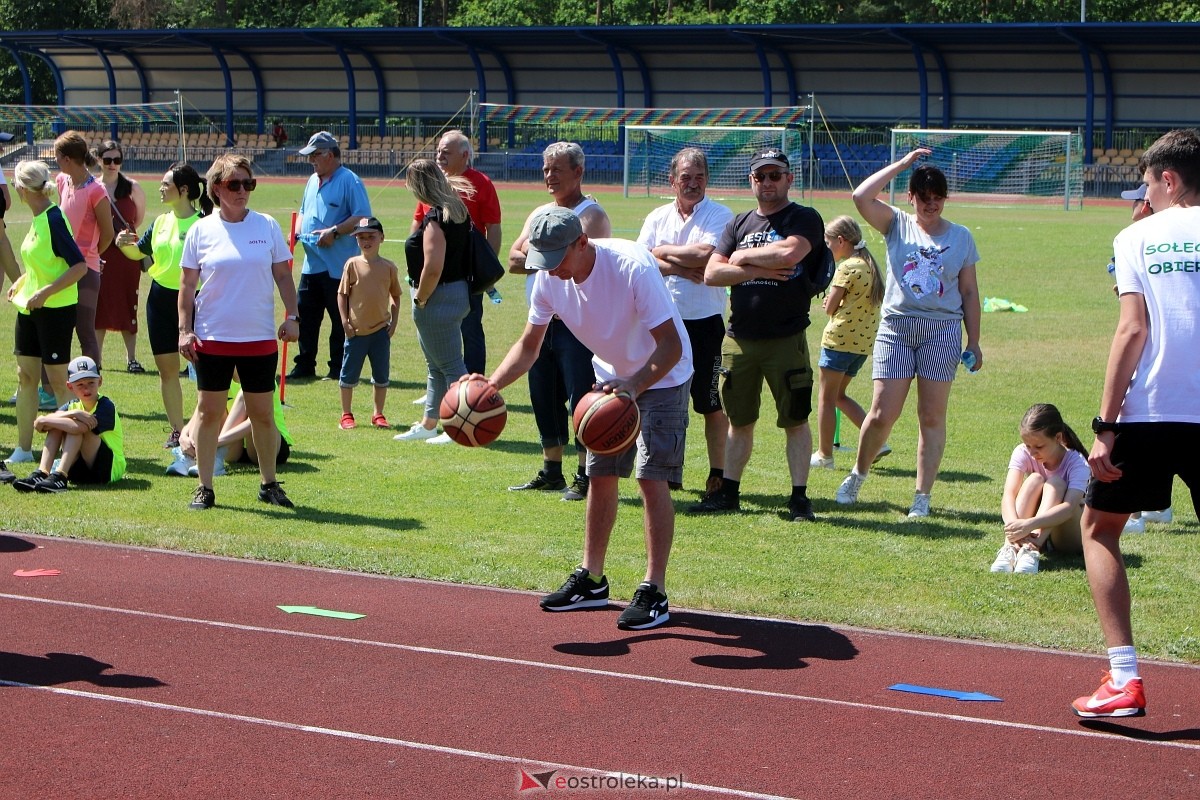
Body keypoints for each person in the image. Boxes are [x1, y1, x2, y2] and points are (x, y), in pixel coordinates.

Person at [480, 206, 691, 631]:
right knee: (600, 474)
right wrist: (491, 386)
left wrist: (635, 385)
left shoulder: (631, 266)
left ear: (582, 242)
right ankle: (592, 580)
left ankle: (654, 590)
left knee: (651, 478)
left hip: (662, 374)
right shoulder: (548, 278)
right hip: (611, 376)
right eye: (544, 259)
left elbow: (668, 346)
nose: (551, 269)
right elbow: (528, 345)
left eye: (558, 257)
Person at [1071, 129, 1200, 719]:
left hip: (1149, 412)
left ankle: (1124, 678)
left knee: (1099, 530)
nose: (1144, 193)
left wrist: (1105, 424)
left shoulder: (1135, 236)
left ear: (1168, 180)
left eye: (1147, 182)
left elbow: (1131, 330)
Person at [836, 148, 982, 518]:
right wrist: (901, 166)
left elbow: (968, 291)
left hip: (942, 330)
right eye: (924, 198)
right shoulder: (896, 223)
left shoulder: (962, 237)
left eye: (938, 199)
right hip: (897, 327)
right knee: (883, 412)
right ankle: (858, 473)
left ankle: (922, 496)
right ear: (911, 197)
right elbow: (860, 197)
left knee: (931, 417)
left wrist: (975, 341)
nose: (931, 205)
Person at [686, 149, 825, 522]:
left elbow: (790, 254)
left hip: (786, 337)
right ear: (751, 181)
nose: (767, 182)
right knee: (738, 420)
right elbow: (713, 273)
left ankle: (799, 498)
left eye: (775, 175)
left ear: (789, 179)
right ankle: (728, 492)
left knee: (794, 419)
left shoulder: (804, 217)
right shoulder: (738, 223)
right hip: (739, 338)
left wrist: (742, 258)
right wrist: (747, 268)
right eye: (760, 176)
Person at [178, 153, 300, 511]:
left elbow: (283, 275)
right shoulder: (201, 229)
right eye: (234, 184)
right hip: (212, 337)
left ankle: (269, 484)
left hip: (259, 338)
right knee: (208, 412)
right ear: (216, 187)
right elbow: (187, 286)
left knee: (263, 414)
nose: (243, 190)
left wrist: (293, 316)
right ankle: (204, 487)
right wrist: (185, 330)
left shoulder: (266, 225)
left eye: (249, 183)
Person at [506, 141, 610, 501]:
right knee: (542, 394)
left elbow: (586, 264)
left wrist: (536, 258)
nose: (549, 176)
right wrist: (549, 258)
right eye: (546, 169)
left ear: (578, 172)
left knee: (580, 397)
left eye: (557, 169)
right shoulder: (540, 212)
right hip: (542, 317)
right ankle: (552, 470)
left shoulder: (591, 216)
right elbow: (512, 258)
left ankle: (586, 474)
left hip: (578, 322)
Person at [636, 148, 734, 497]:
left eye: (699, 177)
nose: (693, 184)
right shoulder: (657, 216)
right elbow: (641, 261)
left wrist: (661, 251)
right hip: (663, 324)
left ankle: (718, 474)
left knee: (708, 403)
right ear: (672, 180)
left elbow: (705, 254)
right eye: (686, 177)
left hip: (705, 323)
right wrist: (677, 266)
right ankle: (668, 471)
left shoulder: (720, 215)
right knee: (664, 400)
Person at [115, 162, 213, 449]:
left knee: (203, 372)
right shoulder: (160, 222)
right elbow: (139, 254)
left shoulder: (203, 224)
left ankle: (203, 427)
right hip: (158, 301)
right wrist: (123, 244)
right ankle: (176, 430)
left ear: (183, 190)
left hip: (195, 302)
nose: (160, 188)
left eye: (166, 184)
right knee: (167, 371)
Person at [7, 160, 89, 465]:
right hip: (30, 309)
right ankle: (24, 449)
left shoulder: (54, 219)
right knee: (25, 376)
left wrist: (45, 293)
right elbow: (41, 263)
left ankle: (68, 454)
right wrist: (23, 281)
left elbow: (79, 266)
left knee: (58, 383)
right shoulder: (38, 216)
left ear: (23, 189)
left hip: (54, 310)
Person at [410, 130, 502, 375]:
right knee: (434, 330)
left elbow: (493, 227)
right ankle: (440, 380)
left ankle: (474, 385)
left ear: (464, 155)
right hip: (434, 273)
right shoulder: (433, 184)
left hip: (465, 274)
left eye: (446, 152)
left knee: (470, 328)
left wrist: (486, 272)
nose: (440, 156)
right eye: (438, 151)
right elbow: (418, 222)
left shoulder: (481, 183)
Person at [1110, 182, 1173, 534]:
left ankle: (1133, 512)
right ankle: (1159, 505)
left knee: (1138, 423)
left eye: (1136, 202)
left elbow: (1134, 314)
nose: (1132, 208)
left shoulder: (1135, 239)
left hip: (1148, 349)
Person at [395, 159, 471, 445]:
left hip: (437, 299)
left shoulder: (436, 218)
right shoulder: (456, 210)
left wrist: (421, 298)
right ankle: (429, 423)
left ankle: (459, 426)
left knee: (451, 366)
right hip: (456, 293)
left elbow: (433, 267)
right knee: (436, 366)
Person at [290, 131, 371, 381]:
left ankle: (338, 368)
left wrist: (334, 231)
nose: (311, 161)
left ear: (331, 155)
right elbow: (303, 210)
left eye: (315, 155)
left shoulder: (350, 181)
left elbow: (362, 217)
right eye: (310, 156)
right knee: (306, 316)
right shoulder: (312, 181)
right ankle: (304, 365)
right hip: (311, 264)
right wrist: (295, 231)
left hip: (339, 266)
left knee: (340, 319)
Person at [810, 215, 888, 470]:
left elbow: (831, 307)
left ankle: (824, 455)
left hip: (838, 341)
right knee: (840, 396)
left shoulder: (847, 267)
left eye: (829, 243)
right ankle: (878, 443)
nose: (828, 248)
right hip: (861, 345)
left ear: (841, 241)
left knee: (826, 399)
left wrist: (829, 304)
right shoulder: (869, 265)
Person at [991, 404, 1089, 575]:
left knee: (1056, 483)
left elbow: (1069, 507)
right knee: (1034, 479)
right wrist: (1014, 527)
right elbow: (1008, 494)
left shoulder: (1077, 462)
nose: (1032, 452)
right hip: (1033, 529)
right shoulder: (1022, 452)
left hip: (1068, 536)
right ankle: (1011, 547)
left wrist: (1029, 524)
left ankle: (1031, 550)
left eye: (1039, 446)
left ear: (1058, 438)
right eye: (1028, 446)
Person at [11, 356, 125, 494]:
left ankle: (60, 476)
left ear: (100, 381)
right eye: (80, 385)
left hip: (107, 470)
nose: (86, 389)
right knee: (58, 425)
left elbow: (80, 428)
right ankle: (42, 473)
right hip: (79, 471)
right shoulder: (72, 406)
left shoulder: (106, 406)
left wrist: (46, 419)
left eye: (91, 383)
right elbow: (40, 426)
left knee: (70, 426)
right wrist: (75, 413)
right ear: (70, 386)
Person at [54, 130, 114, 368]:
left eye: (57, 157)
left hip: (86, 270)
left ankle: (91, 385)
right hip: (61, 267)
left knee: (85, 331)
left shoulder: (95, 191)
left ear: (67, 158)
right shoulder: (61, 181)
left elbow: (108, 233)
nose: (55, 161)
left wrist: (92, 256)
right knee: (58, 327)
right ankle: (52, 387)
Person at [337, 216, 401, 430]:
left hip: (380, 332)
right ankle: (346, 414)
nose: (366, 241)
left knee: (381, 375)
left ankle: (378, 414)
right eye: (361, 237)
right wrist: (345, 322)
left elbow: (396, 295)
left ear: (381, 238)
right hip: (356, 332)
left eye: (371, 236)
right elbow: (342, 295)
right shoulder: (352, 265)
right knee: (348, 374)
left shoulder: (389, 267)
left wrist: (394, 322)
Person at [167, 374, 293, 478]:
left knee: (246, 394)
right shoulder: (222, 378)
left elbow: (256, 422)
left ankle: (214, 457)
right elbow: (201, 412)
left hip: (269, 445)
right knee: (210, 400)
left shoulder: (261, 377)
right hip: (233, 448)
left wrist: (213, 442)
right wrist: (183, 436)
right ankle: (188, 458)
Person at [94, 139, 148, 373]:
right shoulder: (94, 187)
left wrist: (126, 239)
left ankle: (132, 359)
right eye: (107, 160)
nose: (112, 164)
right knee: (100, 307)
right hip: (102, 253)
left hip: (127, 256)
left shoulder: (133, 187)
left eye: (117, 160)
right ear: (99, 161)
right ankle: (97, 359)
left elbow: (138, 219)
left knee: (129, 303)